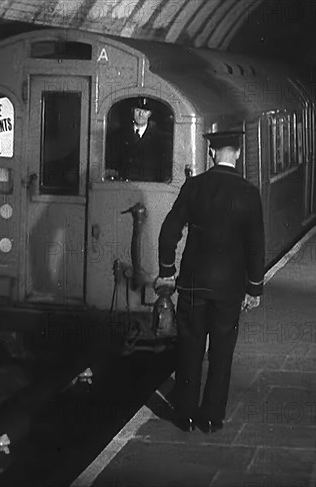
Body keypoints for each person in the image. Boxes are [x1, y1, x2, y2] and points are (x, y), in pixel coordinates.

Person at [155, 128, 265, 433]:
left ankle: (185, 415)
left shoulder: (194, 187)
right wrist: (254, 288)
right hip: (229, 289)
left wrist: (167, 270)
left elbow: (169, 230)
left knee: (189, 348)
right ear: (239, 154)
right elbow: (256, 245)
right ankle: (212, 418)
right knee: (221, 352)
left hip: (193, 283)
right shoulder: (248, 193)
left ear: (212, 153)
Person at [106, 97, 170, 182]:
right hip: (123, 187)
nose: (141, 114)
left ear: (150, 114)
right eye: (138, 110)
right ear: (132, 111)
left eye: (145, 112)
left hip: (149, 189)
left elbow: (164, 171)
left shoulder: (160, 139)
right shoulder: (118, 135)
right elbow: (111, 165)